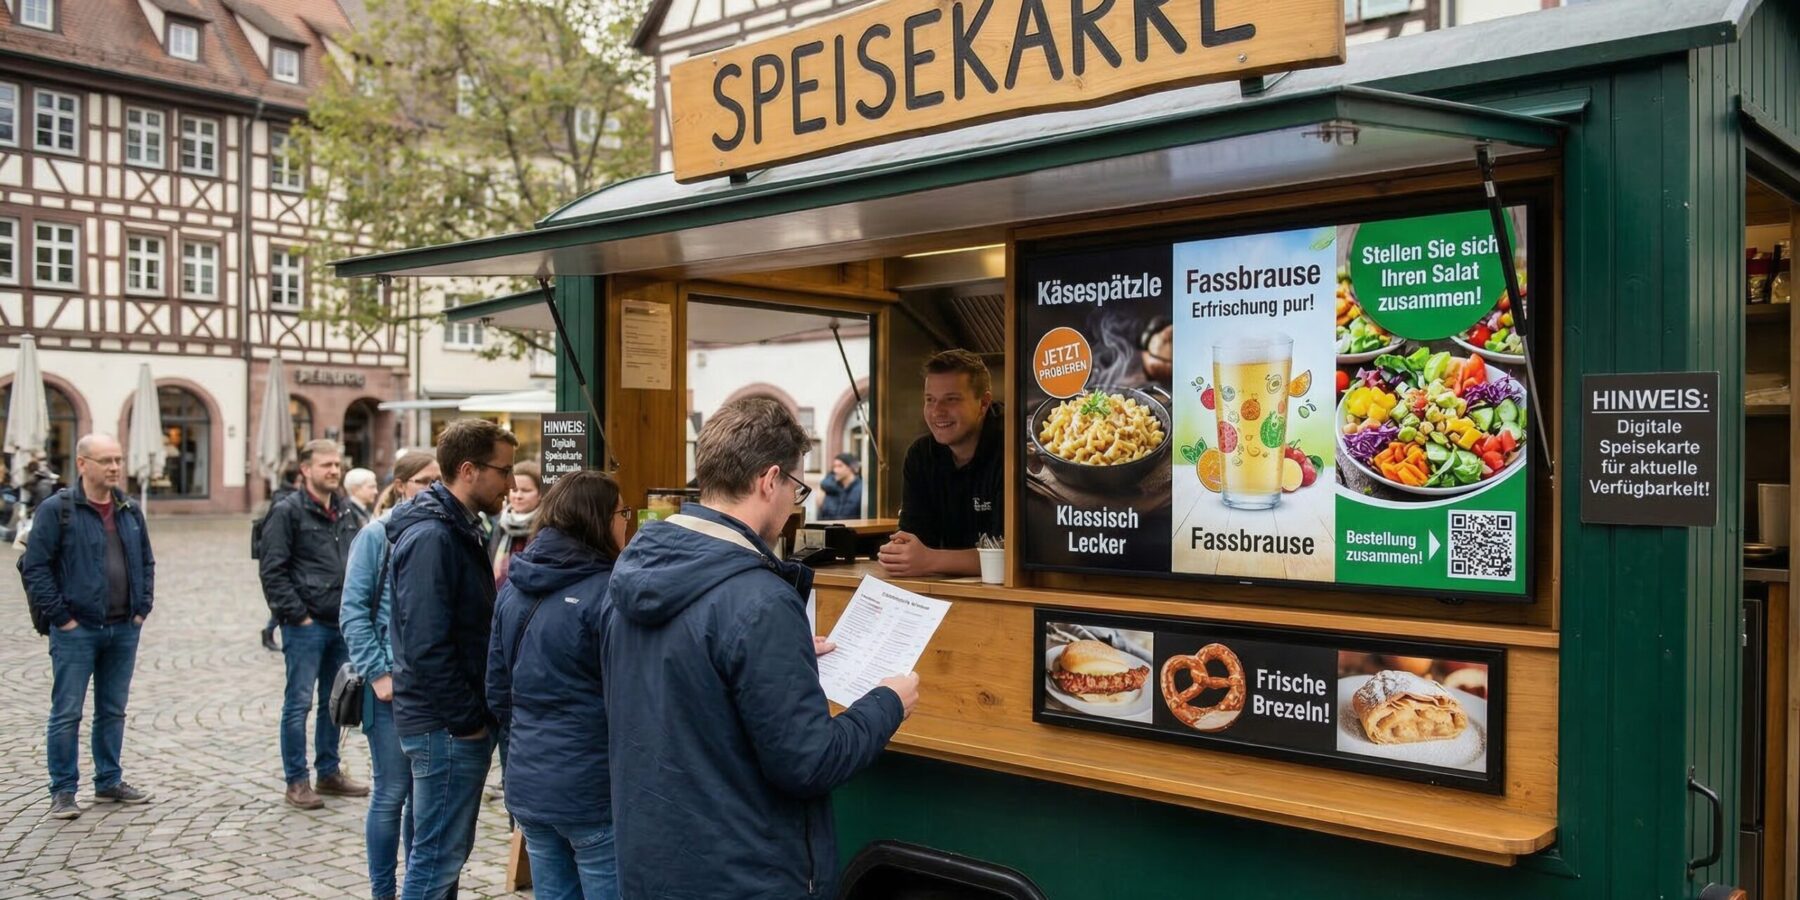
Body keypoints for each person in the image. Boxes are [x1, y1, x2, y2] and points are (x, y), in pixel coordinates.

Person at [603, 397, 920, 899]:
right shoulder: (760, 600)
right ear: (769, 480)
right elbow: (810, 763)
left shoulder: (631, 572)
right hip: (745, 873)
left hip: (654, 864)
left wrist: (783, 657)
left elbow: (683, 685)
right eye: (796, 487)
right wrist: (887, 702)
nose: (795, 502)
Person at [387, 418, 517, 900]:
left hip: (445, 719)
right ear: (468, 470)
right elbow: (426, 643)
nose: (508, 484)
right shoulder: (434, 536)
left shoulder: (454, 526)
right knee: (438, 858)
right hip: (443, 724)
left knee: (438, 853)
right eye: (502, 472)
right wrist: (466, 720)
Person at [487, 472, 628, 900]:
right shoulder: (608, 594)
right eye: (622, 512)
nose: (629, 522)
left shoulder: (513, 587)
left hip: (530, 783)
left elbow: (497, 691)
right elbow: (628, 700)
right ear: (597, 520)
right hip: (592, 791)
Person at [18, 434, 156, 820]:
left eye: (118, 459)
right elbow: (36, 567)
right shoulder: (56, 509)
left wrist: (142, 607)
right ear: (82, 464)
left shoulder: (129, 509)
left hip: (123, 627)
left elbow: (146, 561)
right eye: (105, 460)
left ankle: (108, 780)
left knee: (113, 710)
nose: (114, 467)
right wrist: (63, 618)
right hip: (76, 630)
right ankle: (63, 791)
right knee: (67, 712)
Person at [341, 449, 441, 900]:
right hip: (388, 689)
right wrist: (379, 673)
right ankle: (384, 891)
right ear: (401, 485)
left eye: (438, 479)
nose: (432, 487)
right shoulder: (376, 535)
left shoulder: (443, 531)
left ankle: (415, 889)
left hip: (429, 688)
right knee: (391, 792)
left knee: (423, 800)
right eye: (424, 480)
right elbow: (353, 613)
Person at [257, 439, 371, 809]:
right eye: (326, 465)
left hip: (340, 622)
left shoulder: (346, 511)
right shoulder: (287, 511)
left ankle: (329, 771)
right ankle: (296, 780)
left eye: (338, 465)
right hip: (305, 625)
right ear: (305, 469)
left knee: (335, 701)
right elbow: (273, 569)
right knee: (299, 703)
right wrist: (297, 614)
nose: (334, 471)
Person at [878, 349, 1004, 578]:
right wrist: (900, 554)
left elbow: (1008, 558)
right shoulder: (920, 456)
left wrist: (929, 560)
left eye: (951, 399)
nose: (937, 411)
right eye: (930, 400)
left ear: (984, 403)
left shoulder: (1013, 450)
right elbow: (912, 540)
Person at [255, 462, 305, 652]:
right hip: (286, 560)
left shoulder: (282, 496)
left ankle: (268, 630)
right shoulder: (286, 502)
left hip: (289, 560)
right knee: (285, 599)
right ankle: (268, 631)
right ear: (298, 479)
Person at [486, 460, 542, 588]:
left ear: (540, 494)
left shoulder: (545, 527)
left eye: (526, 490)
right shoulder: (500, 524)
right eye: (514, 490)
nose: (518, 496)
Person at [816, 452, 863, 521]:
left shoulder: (860, 489)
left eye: (840, 466)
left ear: (850, 468)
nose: (835, 470)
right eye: (834, 466)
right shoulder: (829, 486)